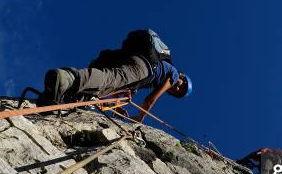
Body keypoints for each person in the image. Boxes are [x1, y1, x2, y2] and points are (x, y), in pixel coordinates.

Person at [37, 29, 192, 122]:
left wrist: (114, 108)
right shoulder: (172, 74)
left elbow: (122, 89)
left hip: (126, 55)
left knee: (109, 83)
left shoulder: (160, 71)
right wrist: (139, 119)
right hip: (143, 64)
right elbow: (149, 100)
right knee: (111, 78)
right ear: (182, 77)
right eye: (182, 86)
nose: (178, 88)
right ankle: (69, 79)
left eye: (179, 92)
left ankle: (72, 93)